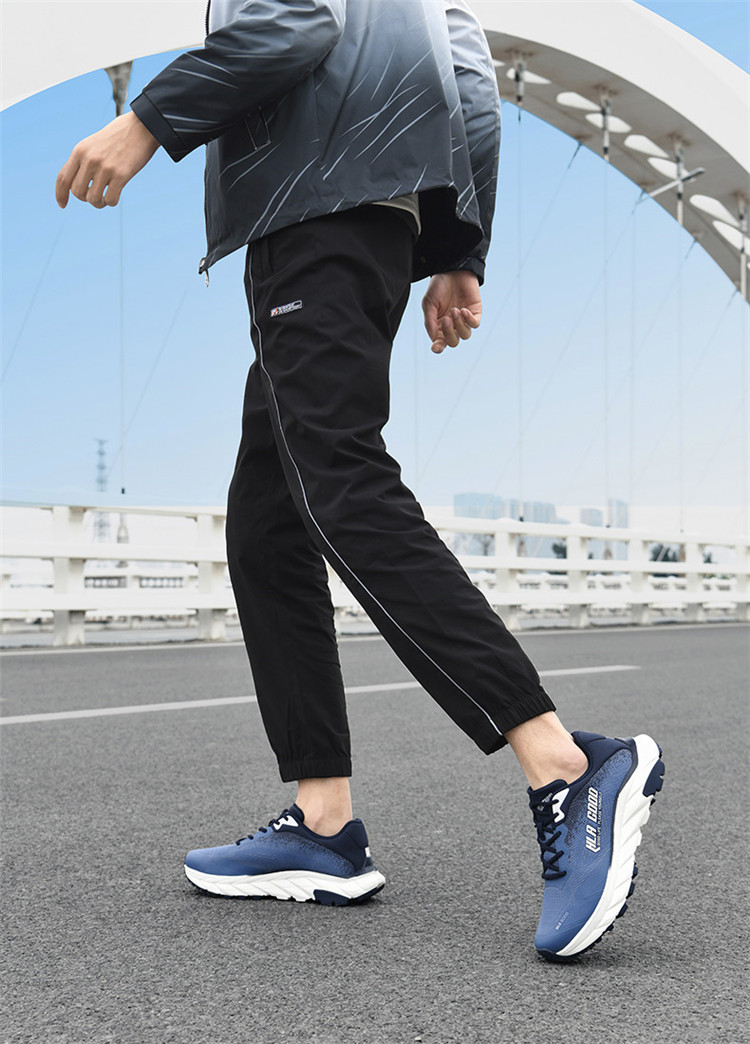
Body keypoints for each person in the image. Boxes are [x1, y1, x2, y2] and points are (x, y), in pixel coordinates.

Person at [55, 0, 663, 961]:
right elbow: (471, 88)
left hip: (313, 213)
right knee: (268, 522)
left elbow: (295, 21)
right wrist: (457, 251)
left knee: (340, 479)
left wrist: (148, 120)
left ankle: (563, 763)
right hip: (377, 221)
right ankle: (323, 824)